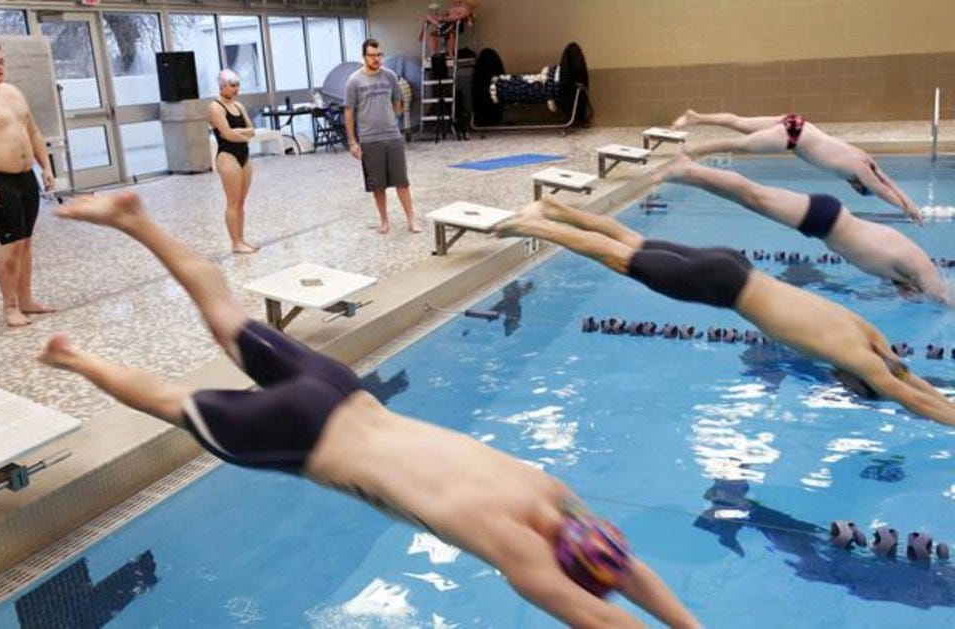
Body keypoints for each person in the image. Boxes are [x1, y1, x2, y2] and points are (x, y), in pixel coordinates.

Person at [40, 190, 700, 629]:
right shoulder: (518, 554)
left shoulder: (555, 493)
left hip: (337, 387)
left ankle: (136, 217)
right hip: (304, 435)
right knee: (171, 402)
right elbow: (605, 619)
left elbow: (625, 565)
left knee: (227, 317)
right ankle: (75, 359)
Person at [495, 199, 955, 427]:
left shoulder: (869, 336)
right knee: (621, 259)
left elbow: (910, 383)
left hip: (736, 264)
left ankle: (552, 207)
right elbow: (908, 395)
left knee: (633, 241)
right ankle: (532, 223)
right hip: (724, 287)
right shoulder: (857, 362)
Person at [654, 154, 949, 303]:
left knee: (750, 199)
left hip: (828, 222)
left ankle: (688, 171)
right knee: (752, 195)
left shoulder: (907, 270)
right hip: (827, 219)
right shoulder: (921, 269)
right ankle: (686, 169)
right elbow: (944, 300)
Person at [671, 109, 923, 223]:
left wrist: (910, 203)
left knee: (739, 122)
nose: (856, 188)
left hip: (798, 123)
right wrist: (907, 209)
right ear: (859, 185)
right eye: (858, 189)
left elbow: (887, 179)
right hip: (794, 138)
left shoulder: (864, 157)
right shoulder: (859, 171)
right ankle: (691, 152)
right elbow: (882, 189)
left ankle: (696, 117)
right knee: (740, 144)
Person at [0, 42, 56, 327]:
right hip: (0, 180)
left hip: (25, 177)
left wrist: (45, 166)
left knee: (27, 242)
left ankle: (26, 299)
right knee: (11, 243)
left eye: (1, 62)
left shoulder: (13, 92)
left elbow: (32, 130)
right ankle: (9, 307)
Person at [345, 38, 421, 235]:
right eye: (371, 55)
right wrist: (352, 141)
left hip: (392, 137)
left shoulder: (390, 76)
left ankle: (411, 220)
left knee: (402, 182)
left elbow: (398, 101)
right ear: (364, 57)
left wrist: (390, 118)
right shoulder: (354, 81)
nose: (376, 59)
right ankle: (384, 221)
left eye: (379, 55)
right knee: (378, 185)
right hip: (369, 140)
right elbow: (349, 112)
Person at [207, 69, 257, 254]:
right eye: (232, 85)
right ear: (222, 86)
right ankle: (235, 242)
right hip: (227, 156)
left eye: (238, 85)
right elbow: (227, 135)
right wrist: (243, 133)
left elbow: (252, 130)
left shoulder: (239, 106)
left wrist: (241, 133)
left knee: (241, 202)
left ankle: (241, 239)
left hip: (244, 156)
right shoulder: (215, 107)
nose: (236, 89)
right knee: (233, 202)